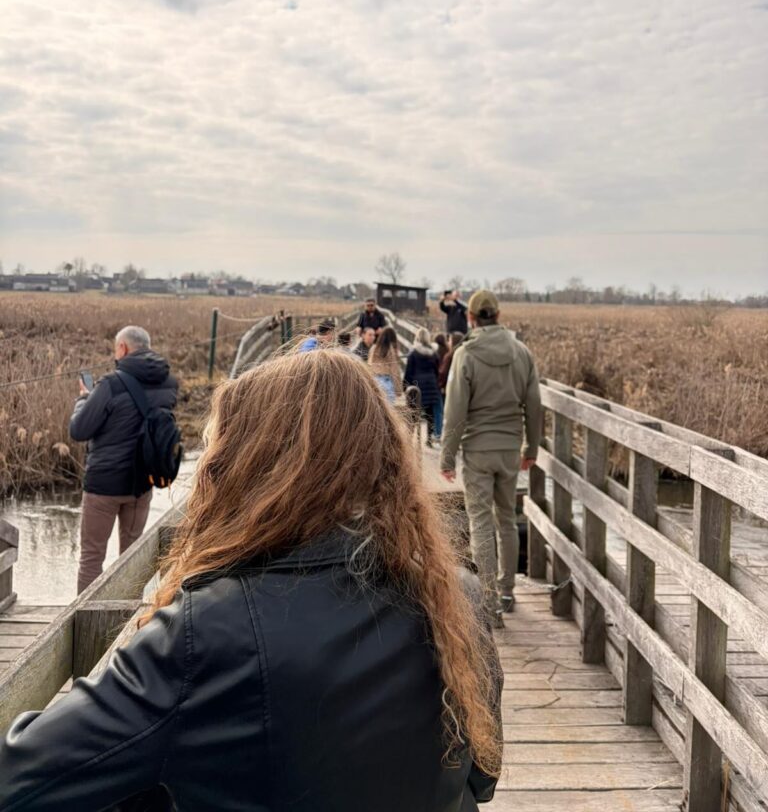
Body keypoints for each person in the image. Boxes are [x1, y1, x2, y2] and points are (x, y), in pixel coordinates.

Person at [0, 351, 502, 811]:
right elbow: (482, 777)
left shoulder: (209, 630)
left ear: (248, 469)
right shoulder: (455, 597)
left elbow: (21, 780)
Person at [440, 290, 541, 627]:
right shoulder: (521, 353)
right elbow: (534, 405)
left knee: (481, 523)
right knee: (507, 520)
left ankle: (488, 603)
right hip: (510, 448)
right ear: (498, 315)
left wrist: (447, 457)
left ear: (470, 318)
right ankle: (508, 591)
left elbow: (455, 412)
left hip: (478, 450)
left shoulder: (466, 354)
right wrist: (531, 448)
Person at [69, 325, 178, 594]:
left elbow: (79, 430)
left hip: (103, 485)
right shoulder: (168, 382)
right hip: (142, 484)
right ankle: (127, 617)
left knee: (92, 557)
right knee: (130, 561)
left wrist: (83, 399)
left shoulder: (110, 384)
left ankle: (84, 615)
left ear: (122, 348)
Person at [404, 328, 443, 447]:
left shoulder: (413, 353)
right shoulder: (434, 354)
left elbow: (408, 372)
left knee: (413, 414)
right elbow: (437, 371)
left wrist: (405, 387)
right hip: (431, 386)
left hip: (417, 386)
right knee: (430, 414)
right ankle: (429, 440)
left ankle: (410, 439)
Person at [368, 325, 403, 404]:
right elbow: (394, 370)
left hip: (374, 382)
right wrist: (398, 390)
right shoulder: (390, 350)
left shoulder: (373, 348)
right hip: (387, 382)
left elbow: (369, 366)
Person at [438, 331, 465, 396]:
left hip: (449, 389)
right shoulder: (465, 355)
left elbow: (443, 373)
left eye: (449, 340)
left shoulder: (449, 356)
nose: (448, 343)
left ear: (454, 342)